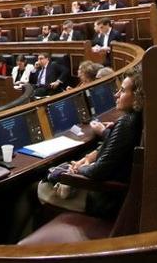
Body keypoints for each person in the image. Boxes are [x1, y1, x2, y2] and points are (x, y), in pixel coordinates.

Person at [35, 73, 143, 218]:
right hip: (114, 192)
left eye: (122, 91)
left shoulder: (126, 123)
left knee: (39, 187)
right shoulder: (137, 117)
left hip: (104, 200)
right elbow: (115, 150)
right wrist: (89, 158)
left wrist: (79, 168)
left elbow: (97, 172)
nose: (116, 95)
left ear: (137, 96)